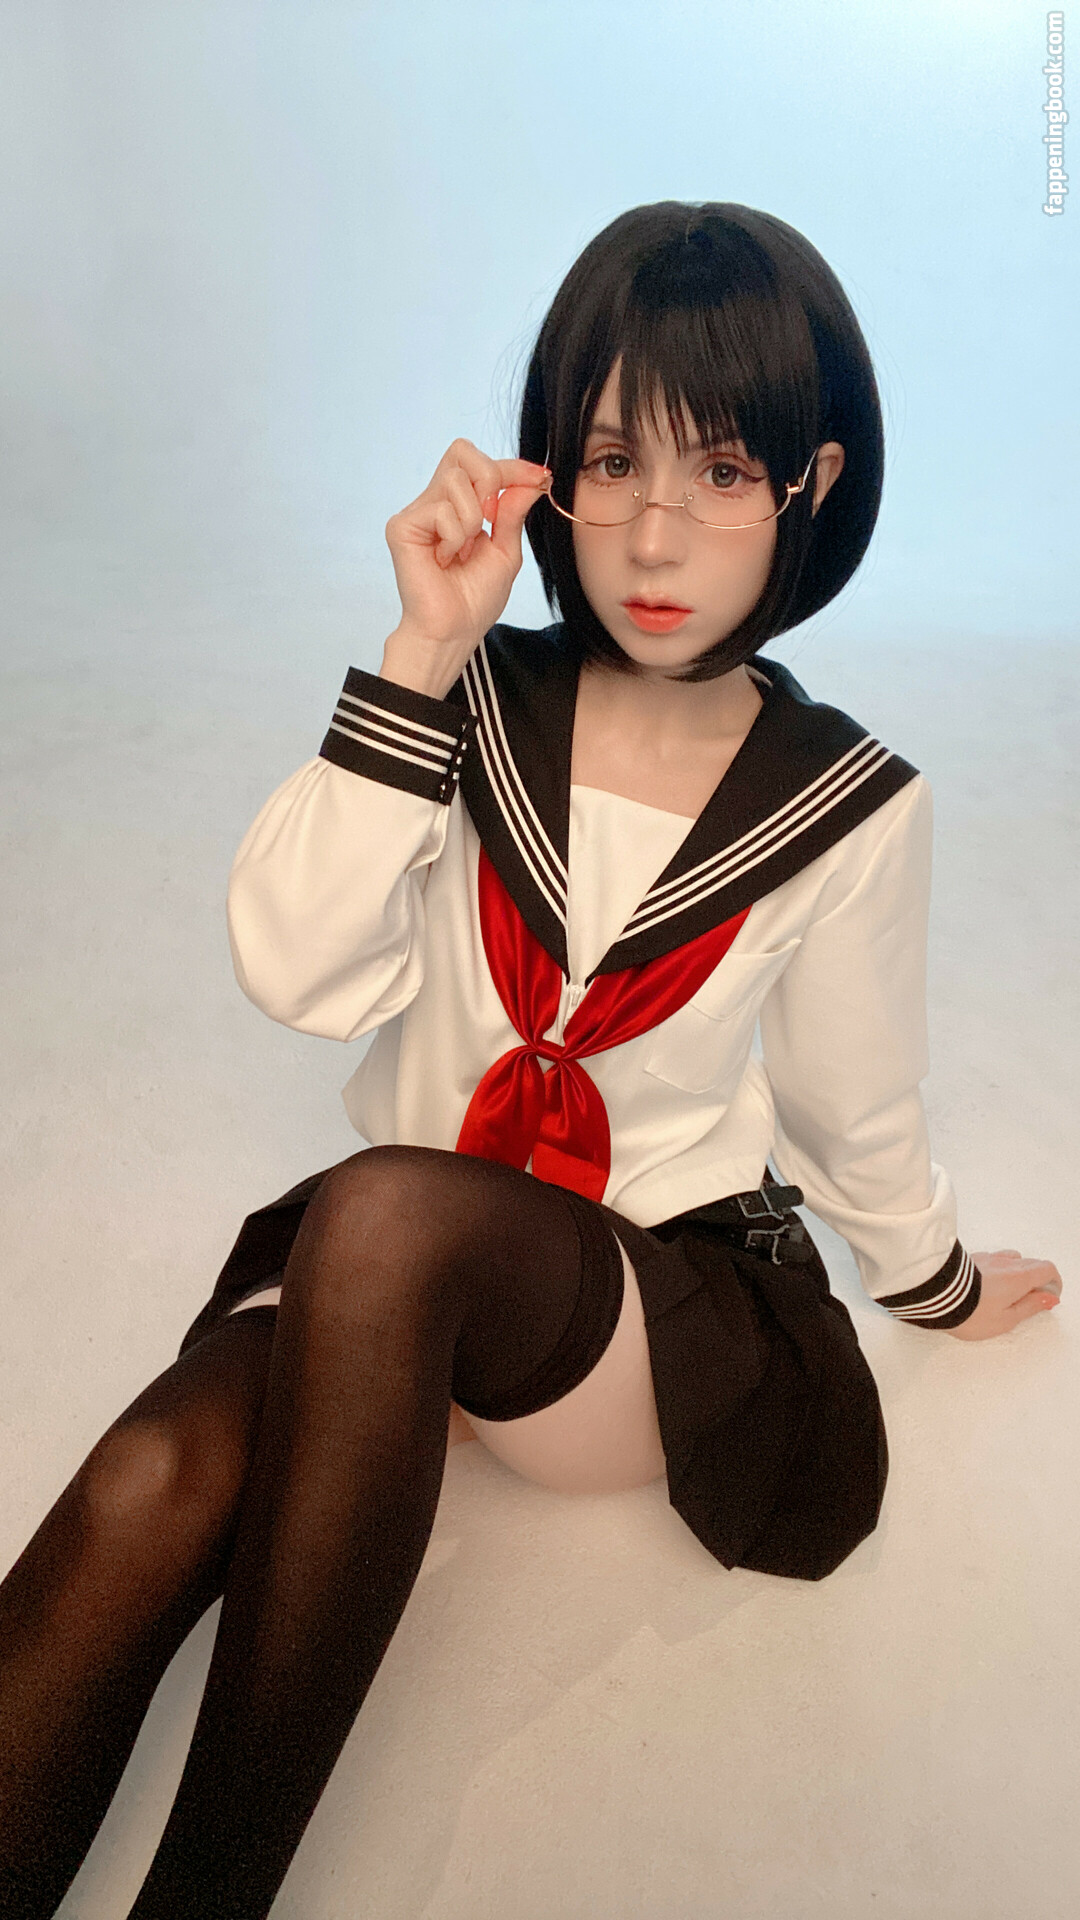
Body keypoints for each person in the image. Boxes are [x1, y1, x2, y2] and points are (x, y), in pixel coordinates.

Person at [0, 200, 1063, 1920]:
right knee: (152, 1471)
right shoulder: (470, 700)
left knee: (381, 1211)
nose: (653, 532)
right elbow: (297, 970)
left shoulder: (853, 802)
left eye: (724, 471)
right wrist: (421, 650)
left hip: (636, 1309)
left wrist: (937, 1287)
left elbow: (852, 1104)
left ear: (812, 483)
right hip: (396, 1296)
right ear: (550, 471)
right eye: (612, 462)